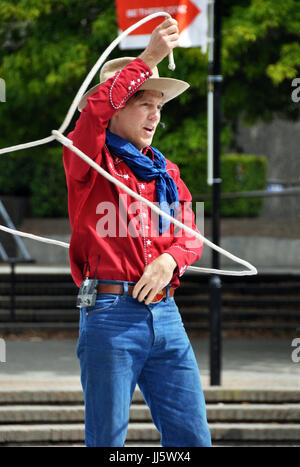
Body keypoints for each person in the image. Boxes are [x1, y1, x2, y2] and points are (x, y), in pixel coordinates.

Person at [63, 18, 212, 447]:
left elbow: (189, 233)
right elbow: (93, 110)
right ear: (118, 108)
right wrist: (148, 58)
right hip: (109, 313)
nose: (155, 114)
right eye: (144, 102)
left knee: (193, 439)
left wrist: (170, 260)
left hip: (166, 315)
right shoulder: (86, 160)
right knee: (107, 442)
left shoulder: (165, 170)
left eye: (159, 106)